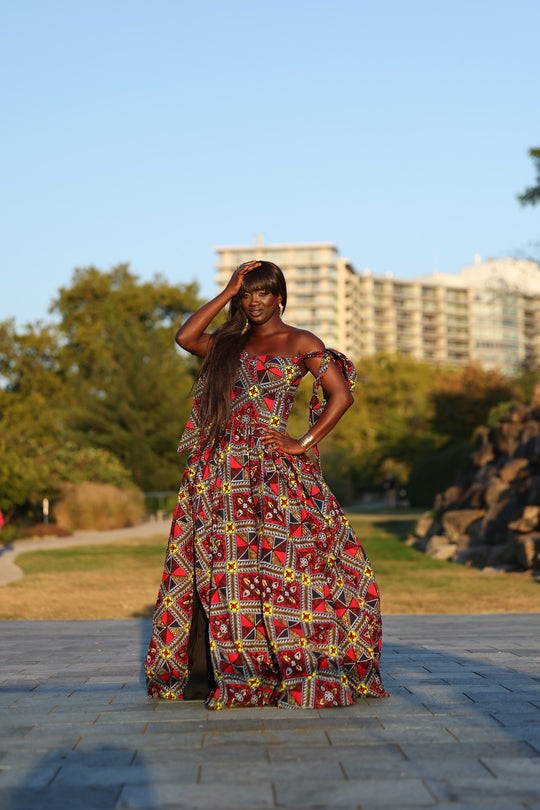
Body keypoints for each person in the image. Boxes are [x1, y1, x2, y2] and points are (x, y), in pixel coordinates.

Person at [145, 260, 386, 709]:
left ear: (280, 296)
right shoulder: (226, 344)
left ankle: (305, 664)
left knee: (298, 563)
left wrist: (302, 441)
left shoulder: (301, 342)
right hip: (220, 473)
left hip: (275, 473)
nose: (254, 302)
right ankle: (243, 670)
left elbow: (342, 394)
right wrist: (227, 288)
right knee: (231, 572)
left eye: (262, 293)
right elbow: (185, 337)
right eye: (246, 294)